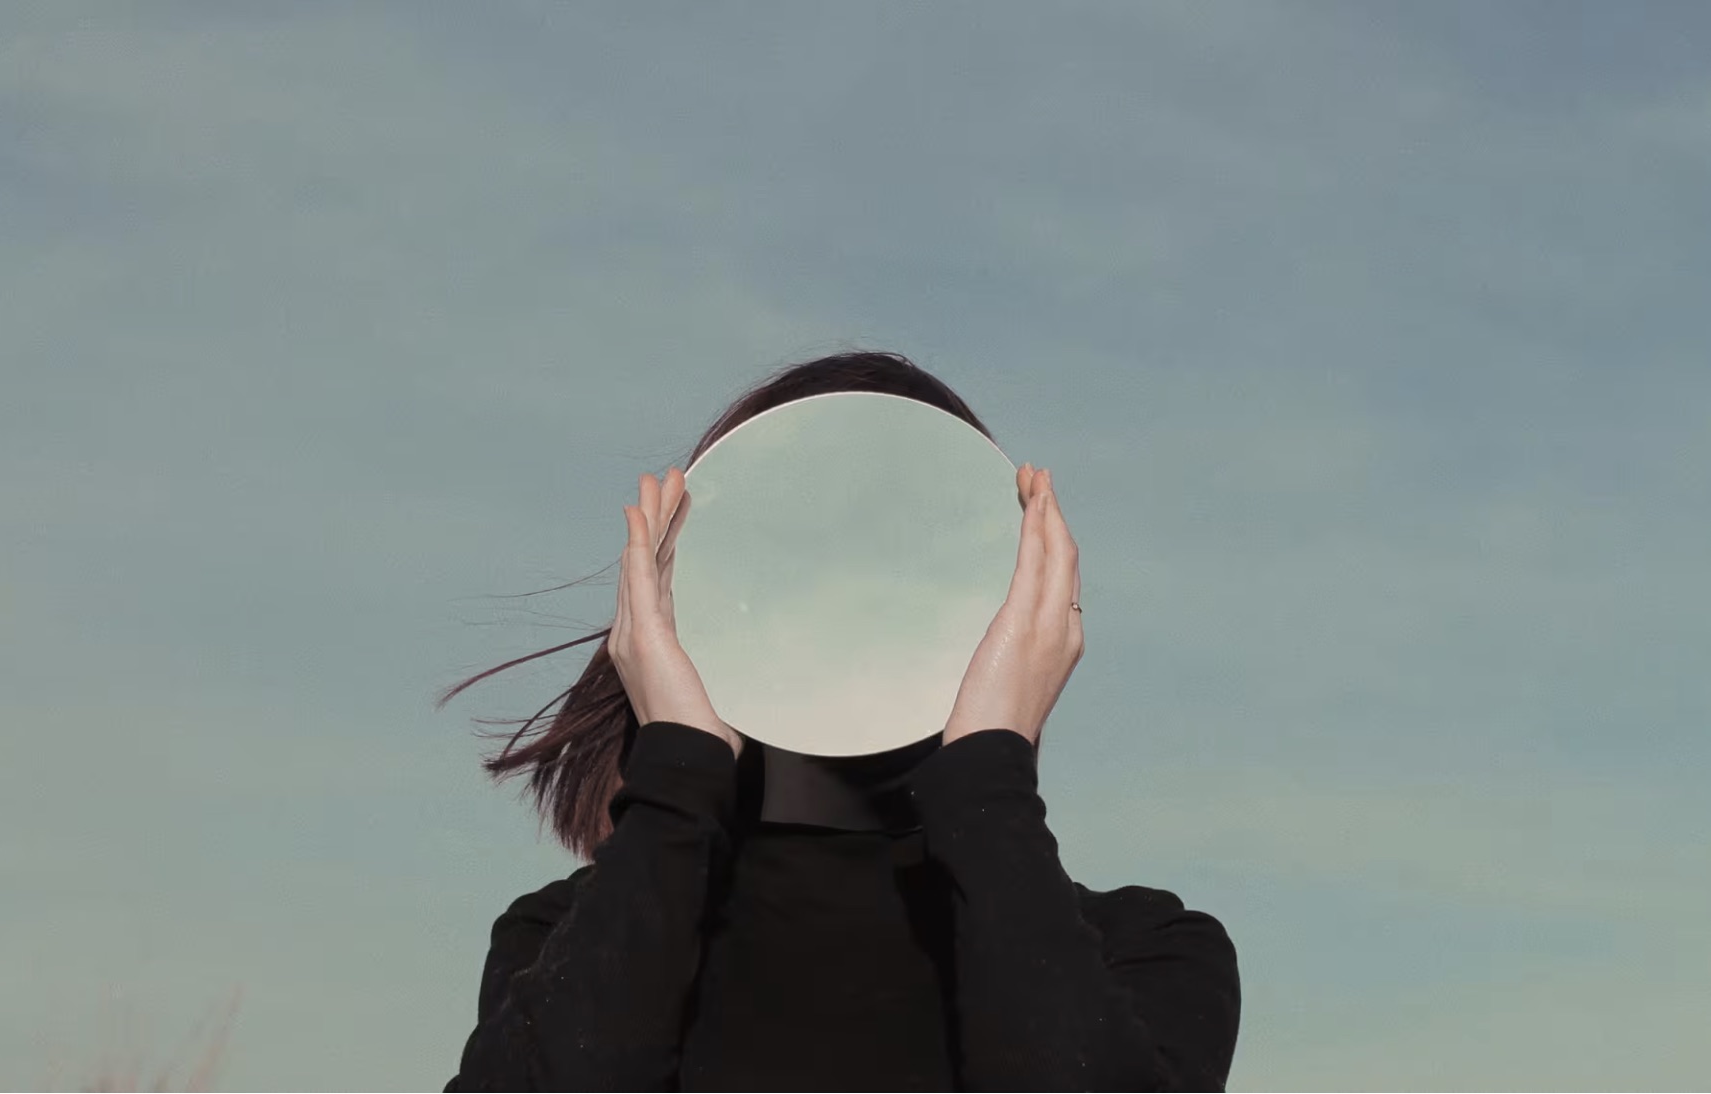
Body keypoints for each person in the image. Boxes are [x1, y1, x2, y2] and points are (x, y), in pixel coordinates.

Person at [437, 352, 1241, 1091]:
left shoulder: (1145, 950)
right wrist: (677, 769)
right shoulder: (565, 941)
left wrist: (992, 765)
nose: (851, 606)